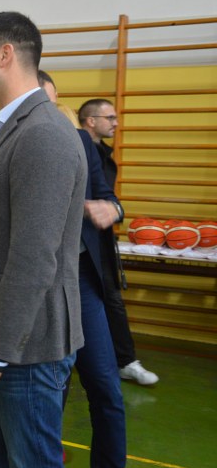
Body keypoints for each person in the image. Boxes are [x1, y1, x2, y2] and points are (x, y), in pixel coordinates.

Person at [0, 11, 87, 468]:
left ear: (5, 55)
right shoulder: (15, 128)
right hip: (7, 344)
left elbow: (33, 259)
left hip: (26, 350)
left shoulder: (42, 134)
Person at [79, 98, 159, 386]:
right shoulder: (77, 150)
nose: (115, 123)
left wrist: (114, 209)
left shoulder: (102, 154)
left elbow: (107, 198)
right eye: (109, 118)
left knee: (110, 299)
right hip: (80, 245)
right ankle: (121, 361)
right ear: (91, 121)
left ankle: (124, 360)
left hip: (100, 241)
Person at [71, 129, 128, 468]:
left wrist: (110, 209)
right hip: (33, 284)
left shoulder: (80, 142)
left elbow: (111, 199)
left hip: (80, 279)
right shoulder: (7, 139)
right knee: (48, 392)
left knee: (105, 388)